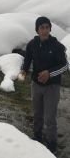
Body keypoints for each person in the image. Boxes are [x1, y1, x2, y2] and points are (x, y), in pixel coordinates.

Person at [20, 16, 68, 154]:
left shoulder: (57, 46)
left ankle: (52, 145)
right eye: (42, 27)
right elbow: (27, 58)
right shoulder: (32, 44)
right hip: (36, 85)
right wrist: (24, 70)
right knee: (37, 113)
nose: (45, 30)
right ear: (37, 29)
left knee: (49, 117)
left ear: (50, 29)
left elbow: (65, 65)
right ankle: (37, 137)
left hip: (52, 87)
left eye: (47, 27)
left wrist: (50, 73)